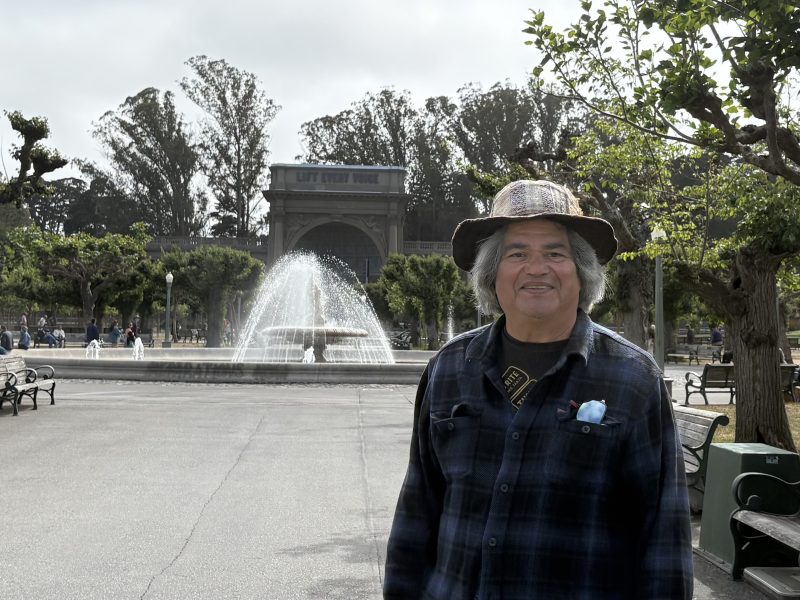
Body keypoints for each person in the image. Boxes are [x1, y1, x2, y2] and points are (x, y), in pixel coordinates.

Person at [384, 180, 693, 599]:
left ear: (581, 272)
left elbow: (664, 537)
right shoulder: (449, 369)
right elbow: (417, 513)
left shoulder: (634, 379)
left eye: (554, 253)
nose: (536, 267)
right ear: (492, 274)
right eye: (517, 254)